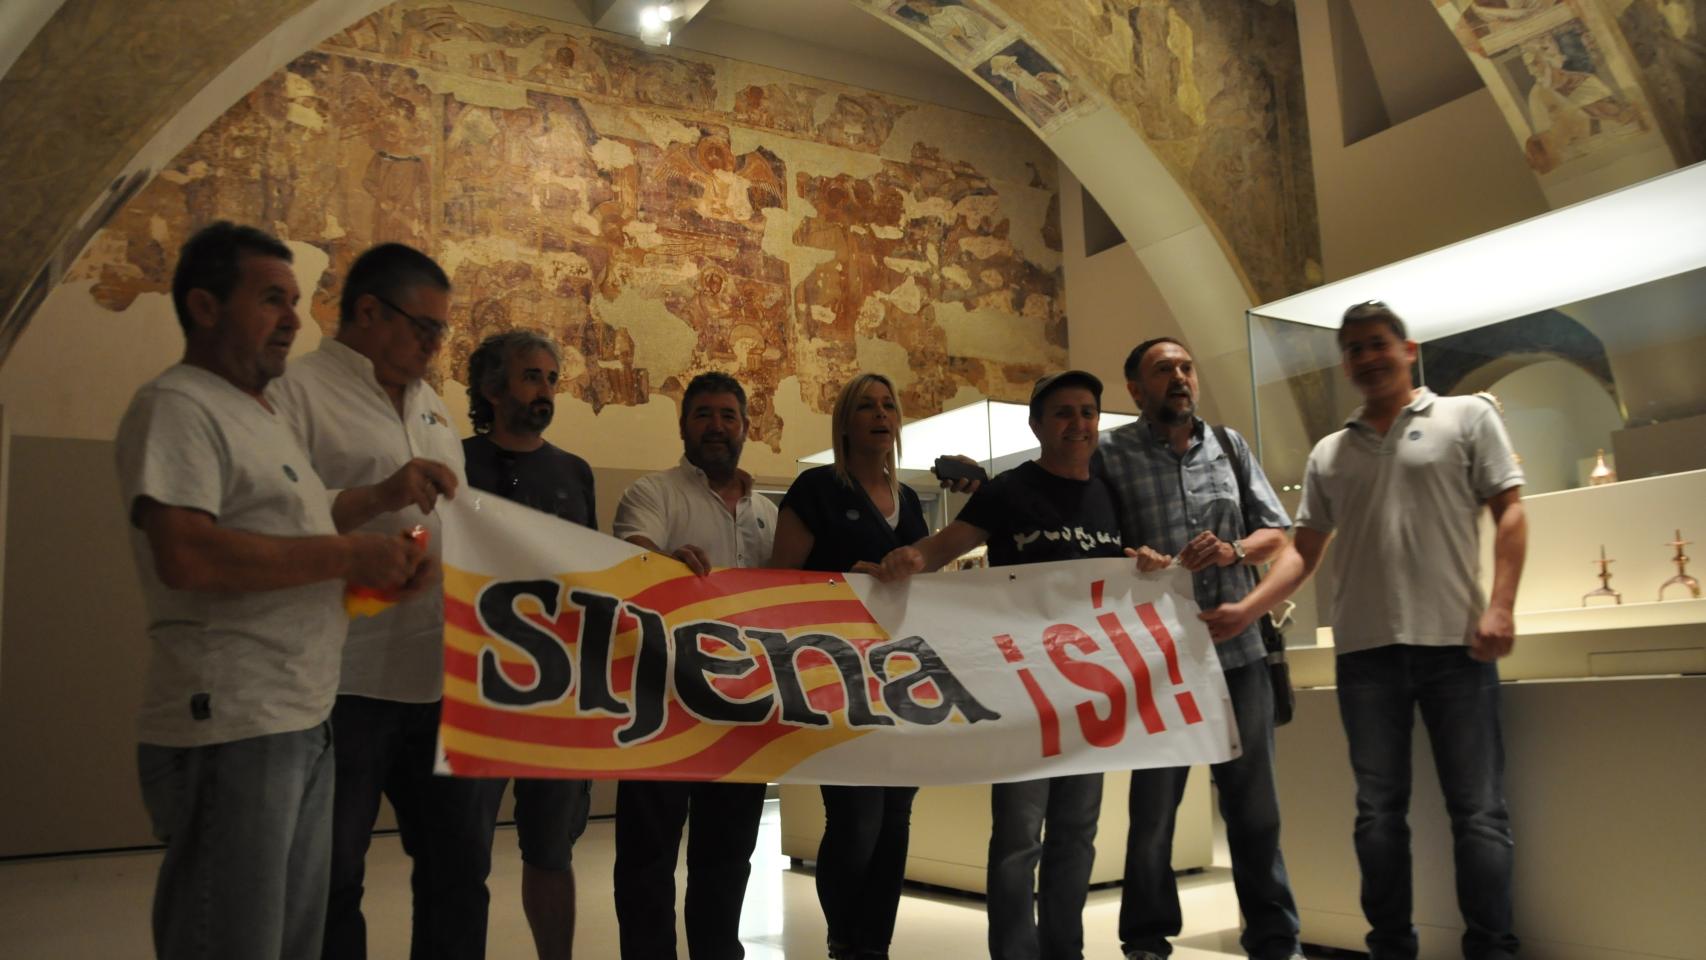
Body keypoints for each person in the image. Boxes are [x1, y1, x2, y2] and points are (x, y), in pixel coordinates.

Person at [115, 221, 429, 959]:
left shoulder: (259, 413)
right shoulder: (178, 406)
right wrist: (351, 555)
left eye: (296, 301)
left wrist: (382, 507)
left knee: (291, 940)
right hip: (232, 719)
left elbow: (306, 521)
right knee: (231, 939)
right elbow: (187, 556)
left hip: (299, 713)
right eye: (271, 299)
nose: (294, 319)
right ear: (204, 306)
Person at [1201, 301, 1526, 959]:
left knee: (1481, 815)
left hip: (1457, 650)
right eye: (1353, 349)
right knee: (1378, 817)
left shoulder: (1468, 418)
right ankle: (1390, 948)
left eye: (1378, 344)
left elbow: (1511, 513)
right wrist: (1249, 608)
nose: (1367, 358)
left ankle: (1491, 949)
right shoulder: (1331, 452)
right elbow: (1303, 551)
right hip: (1366, 657)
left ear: (1407, 349)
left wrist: (1501, 606)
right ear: (1345, 362)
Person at [269, 243, 482, 960]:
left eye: (442, 332)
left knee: (458, 873)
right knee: (331, 879)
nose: (434, 345)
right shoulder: (294, 396)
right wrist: (382, 495)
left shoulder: (431, 407)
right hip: (343, 682)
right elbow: (274, 524)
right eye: (426, 327)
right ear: (367, 311)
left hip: (440, 677)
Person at [864, 371, 1122, 960]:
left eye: (1087, 412)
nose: (1077, 424)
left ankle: (1066, 950)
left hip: (1092, 691)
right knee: (1017, 837)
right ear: (1037, 424)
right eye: (1063, 413)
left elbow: (1128, 567)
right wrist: (907, 559)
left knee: (1077, 834)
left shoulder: (1111, 490)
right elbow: (944, 545)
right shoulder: (1008, 490)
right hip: (1022, 692)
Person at [1099, 337, 1303, 960]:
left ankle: (1273, 938)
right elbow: (1098, 545)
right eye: (1164, 371)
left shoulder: (1231, 446)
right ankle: (1145, 939)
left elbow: (1277, 531)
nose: (1180, 378)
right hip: (1160, 662)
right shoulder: (1113, 454)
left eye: (1185, 367)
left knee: (1255, 809)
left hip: (1238, 655)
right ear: (1136, 388)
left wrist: (1235, 550)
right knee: (1154, 811)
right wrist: (1133, 555)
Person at [610, 372, 777, 960]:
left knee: (727, 857)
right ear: (683, 425)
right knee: (647, 859)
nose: (716, 426)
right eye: (703, 414)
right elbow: (629, 561)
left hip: (742, 712)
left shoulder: (768, 512)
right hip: (660, 709)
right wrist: (663, 562)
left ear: (745, 428)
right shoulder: (653, 494)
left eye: (728, 416)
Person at [769, 372, 929, 960]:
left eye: (889, 405)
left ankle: (874, 943)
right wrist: (844, 582)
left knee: (895, 817)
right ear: (845, 422)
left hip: (901, 677)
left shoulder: (909, 499)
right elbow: (779, 582)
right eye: (867, 406)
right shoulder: (815, 489)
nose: (881, 415)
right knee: (857, 818)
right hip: (834, 676)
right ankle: (845, 938)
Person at [462, 330, 596, 960]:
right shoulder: (455, 461)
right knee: (462, 854)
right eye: (529, 377)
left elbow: (595, 573)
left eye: (550, 377)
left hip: (556, 689)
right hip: (474, 685)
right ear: (490, 388)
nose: (544, 390)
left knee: (551, 848)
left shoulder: (573, 472)